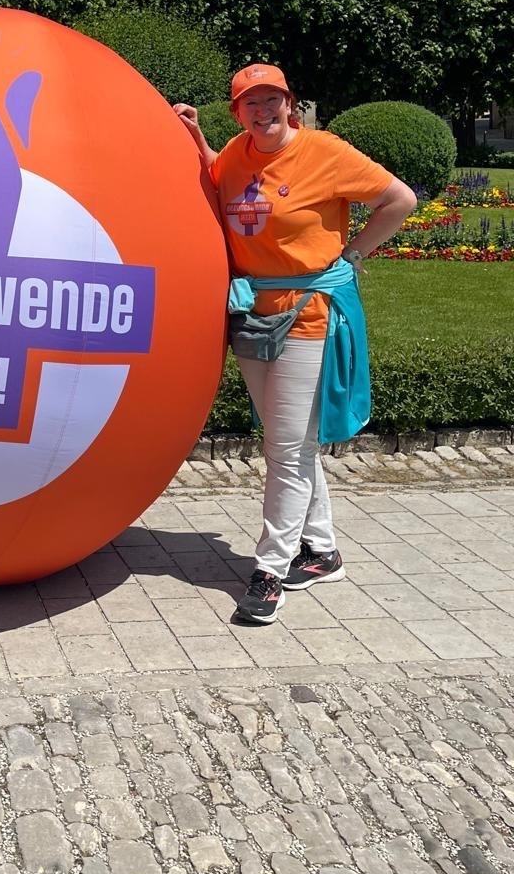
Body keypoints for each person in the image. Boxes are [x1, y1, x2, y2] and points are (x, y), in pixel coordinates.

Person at [175, 64, 416, 626]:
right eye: (250, 103)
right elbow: (219, 177)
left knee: (283, 448)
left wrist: (351, 256)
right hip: (252, 314)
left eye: (273, 100)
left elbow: (399, 200)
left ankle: (269, 570)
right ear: (236, 112)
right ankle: (323, 551)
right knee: (292, 443)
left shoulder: (324, 152)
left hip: (308, 316)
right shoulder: (236, 153)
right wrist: (196, 138)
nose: (264, 112)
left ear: (291, 103)